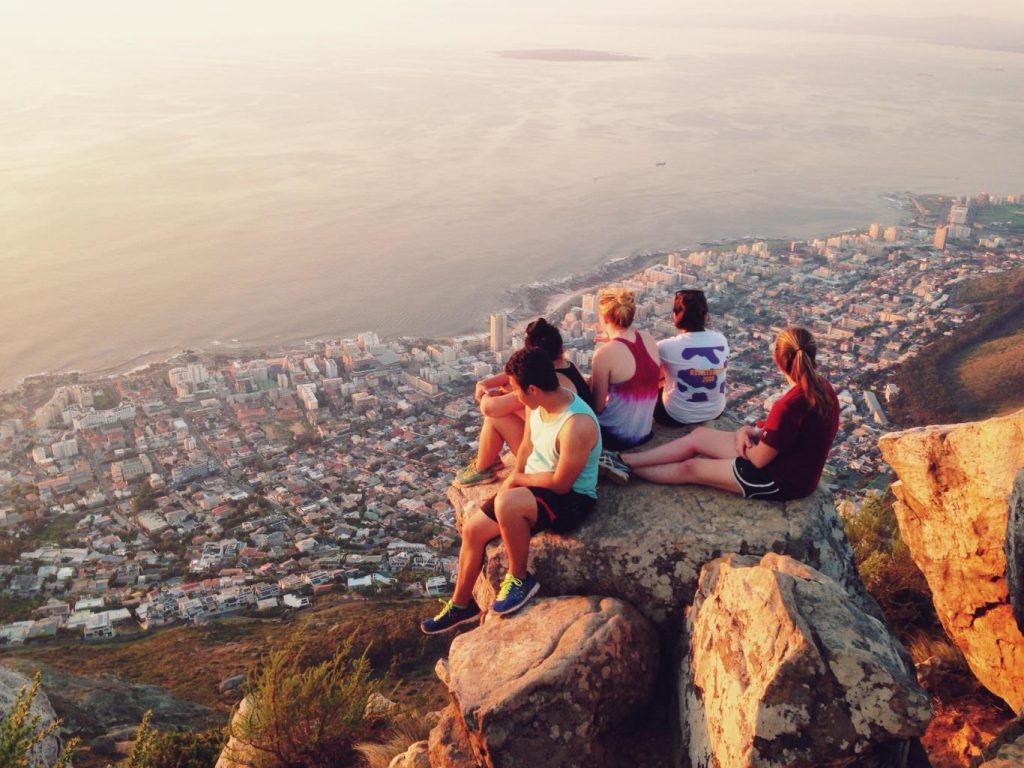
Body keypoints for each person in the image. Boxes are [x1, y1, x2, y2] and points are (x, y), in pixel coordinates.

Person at [422, 347, 601, 634]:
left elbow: (561, 483)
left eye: (516, 390)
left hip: (571, 499)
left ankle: (520, 578)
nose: (514, 397)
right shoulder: (536, 406)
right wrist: (513, 480)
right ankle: (462, 604)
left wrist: (518, 481)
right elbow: (527, 448)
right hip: (535, 483)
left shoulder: (576, 424)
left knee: (506, 504)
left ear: (532, 388)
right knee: (473, 530)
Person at [599, 327, 838, 502]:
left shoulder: (788, 405)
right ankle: (624, 460)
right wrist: (747, 431)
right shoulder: (823, 387)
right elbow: (783, 430)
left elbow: (758, 460)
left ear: (778, 361)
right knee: (699, 436)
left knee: (691, 468)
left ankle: (627, 469)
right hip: (784, 460)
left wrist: (743, 444)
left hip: (780, 480)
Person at [456, 318, 591, 487]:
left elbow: (490, 409)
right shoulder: (569, 366)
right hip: (570, 445)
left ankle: (482, 469)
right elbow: (512, 374)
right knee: (508, 392)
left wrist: (488, 395)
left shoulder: (549, 383)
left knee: (496, 418)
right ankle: (490, 461)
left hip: (552, 458)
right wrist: (484, 384)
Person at [589, 288, 660, 451]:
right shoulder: (648, 339)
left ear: (605, 317)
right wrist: (612, 340)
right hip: (644, 432)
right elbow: (630, 354)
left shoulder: (604, 354)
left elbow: (597, 407)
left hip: (615, 438)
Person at [656, 288, 729, 426]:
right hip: (715, 412)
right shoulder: (721, 340)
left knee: (659, 380)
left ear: (675, 315)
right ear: (706, 316)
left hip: (675, 417)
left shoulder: (665, 346)